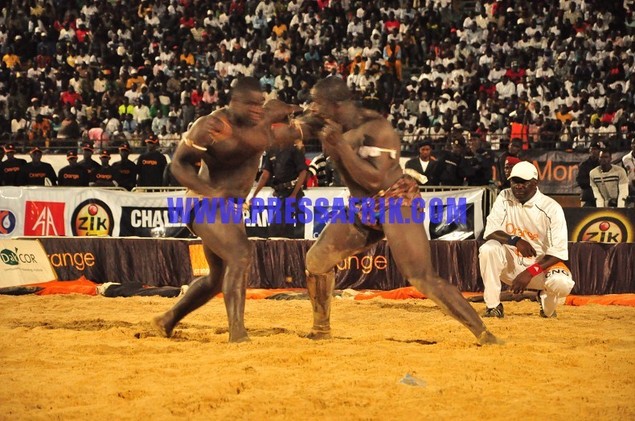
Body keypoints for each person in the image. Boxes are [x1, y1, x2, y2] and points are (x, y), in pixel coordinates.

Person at [303, 77, 499, 345]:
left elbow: (374, 180)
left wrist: (340, 146)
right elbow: (289, 129)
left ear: (334, 104)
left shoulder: (374, 127)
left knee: (421, 276)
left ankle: (484, 334)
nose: (313, 106)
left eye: (317, 102)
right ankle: (321, 329)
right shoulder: (326, 124)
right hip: (362, 206)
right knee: (316, 261)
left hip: (395, 200)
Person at [152, 77, 301, 342]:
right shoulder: (212, 125)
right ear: (234, 102)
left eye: (260, 103)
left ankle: (168, 319)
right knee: (240, 253)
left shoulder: (266, 115)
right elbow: (178, 164)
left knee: (217, 279)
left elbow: (291, 109)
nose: (256, 109)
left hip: (230, 207)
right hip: (203, 200)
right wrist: (210, 191)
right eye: (250, 104)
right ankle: (238, 334)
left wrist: (303, 113)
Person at [479, 161, 575, 319]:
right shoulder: (504, 196)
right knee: (488, 248)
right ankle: (493, 306)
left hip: (540, 267)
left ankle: (545, 299)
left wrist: (530, 272)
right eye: (514, 181)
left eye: (524, 182)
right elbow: (490, 231)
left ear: (535, 183)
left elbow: (558, 253)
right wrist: (515, 240)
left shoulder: (551, 208)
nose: (518, 186)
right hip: (511, 265)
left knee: (561, 283)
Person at [249, 143, 308, 238]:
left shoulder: (294, 149)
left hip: (292, 193)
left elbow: (303, 172)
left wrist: (294, 194)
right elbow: (265, 175)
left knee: (277, 228)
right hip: (280, 194)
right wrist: (254, 195)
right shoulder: (271, 151)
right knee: (285, 229)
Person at [576, 142, 601, 207]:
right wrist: (593, 182)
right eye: (592, 149)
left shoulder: (602, 164)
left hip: (601, 197)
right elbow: (580, 181)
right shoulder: (584, 165)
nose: (594, 151)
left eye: (596, 149)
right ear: (589, 150)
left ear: (599, 151)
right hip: (588, 196)